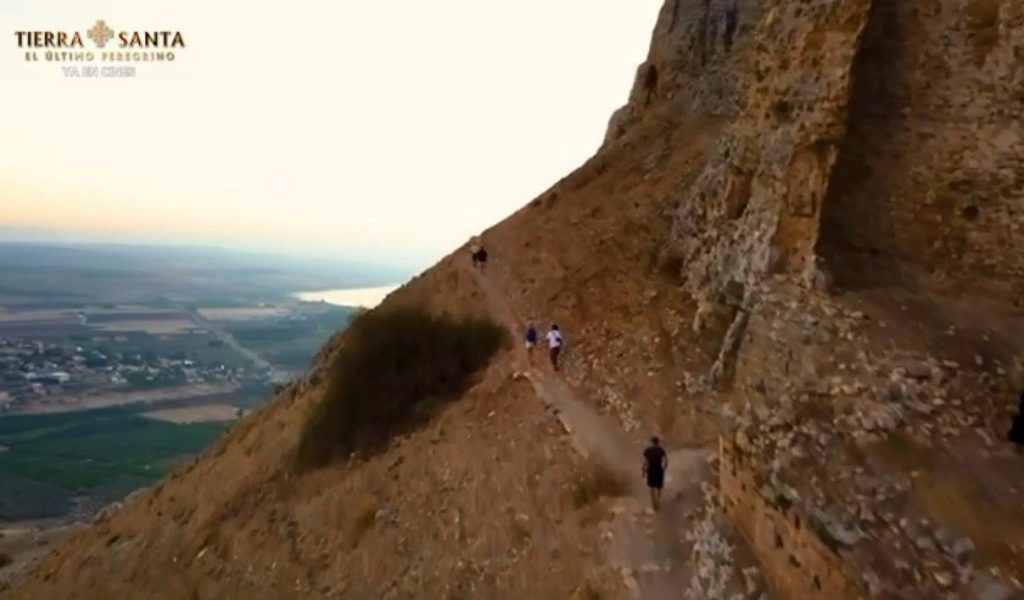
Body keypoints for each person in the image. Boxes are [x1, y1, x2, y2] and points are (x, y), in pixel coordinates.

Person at [642, 436, 668, 510]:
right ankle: (659, 502)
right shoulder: (661, 450)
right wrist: (663, 468)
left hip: (651, 470)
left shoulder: (648, 450)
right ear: (658, 442)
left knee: (652, 487)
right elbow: (666, 462)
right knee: (659, 487)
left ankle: (653, 502)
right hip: (659, 470)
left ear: (652, 442)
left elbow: (645, 462)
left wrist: (643, 470)